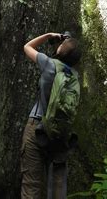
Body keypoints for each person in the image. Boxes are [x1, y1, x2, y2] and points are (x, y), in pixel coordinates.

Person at [21, 31, 82, 199]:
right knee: (57, 186)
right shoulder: (76, 78)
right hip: (60, 136)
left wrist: (48, 36)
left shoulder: (48, 64)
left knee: (31, 184)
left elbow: (27, 47)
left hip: (37, 129)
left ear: (60, 49)